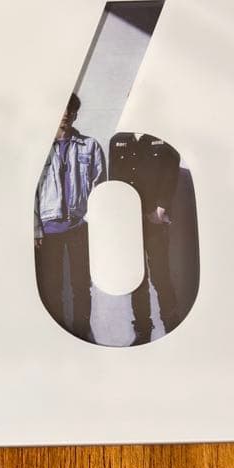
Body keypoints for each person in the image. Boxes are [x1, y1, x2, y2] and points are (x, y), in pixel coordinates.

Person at [34, 93, 106, 341]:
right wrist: (35, 228)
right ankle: (56, 336)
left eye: (70, 110)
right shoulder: (37, 148)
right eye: (61, 108)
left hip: (80, 226)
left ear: (75, 114)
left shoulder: (90, 146)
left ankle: (82, 333)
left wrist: (93, 225)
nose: (65, 114)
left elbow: (100, 188)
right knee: (51, 286)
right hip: (48, 230)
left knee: (81, 285)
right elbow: (30, 193)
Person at [109, 133, 181, 344]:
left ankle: (172, 326)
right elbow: (113, 180)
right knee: (136, 277)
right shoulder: (118, 140)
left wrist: (162, 206)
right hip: (129, 220)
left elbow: (171, 171)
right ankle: (143, 330)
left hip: (154, 221)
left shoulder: (160, 136)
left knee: (161, 275)